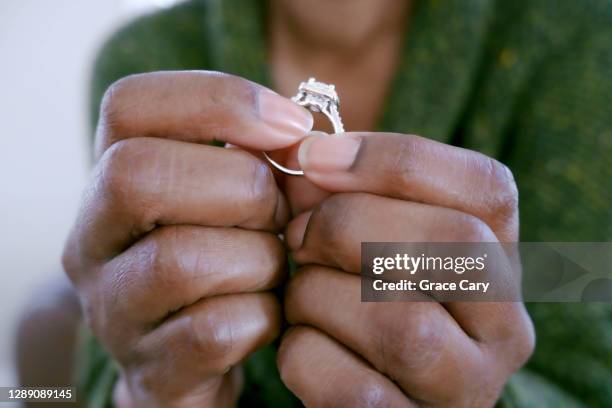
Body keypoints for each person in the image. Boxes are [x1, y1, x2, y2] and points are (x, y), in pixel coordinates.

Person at [18, 0, 612, 406]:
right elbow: (119, 338)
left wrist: (483, 392)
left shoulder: (582, 40)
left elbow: (587, 346)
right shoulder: (146, 55)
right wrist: (151, 390)